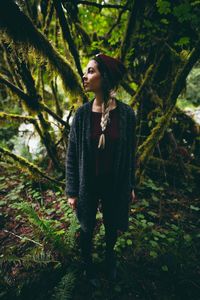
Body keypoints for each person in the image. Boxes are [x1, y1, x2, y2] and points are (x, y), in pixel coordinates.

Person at [65, 53, 137, 285]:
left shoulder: (126, 114)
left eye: (90, 71)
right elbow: (72, 155)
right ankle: (88, 266)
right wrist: (72, 190)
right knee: (86, 227)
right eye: (86, 71)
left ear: (104, 78)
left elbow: (129, 155)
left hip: (114, 183)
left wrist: (130, 185)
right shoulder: (82, 115)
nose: (84, 76)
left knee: (112, 225)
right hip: (89, 183)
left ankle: (109, 261)